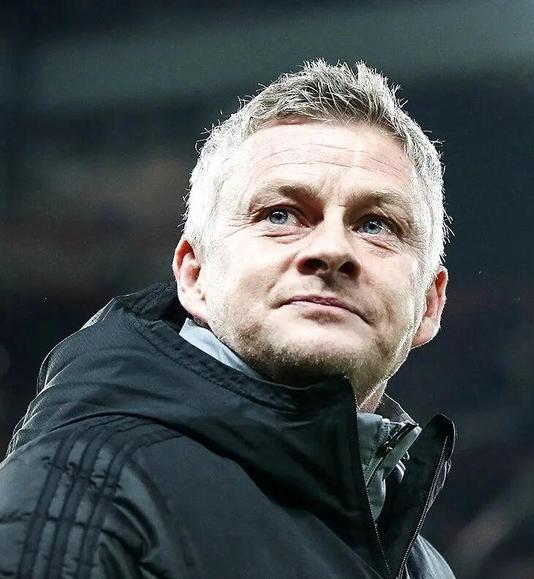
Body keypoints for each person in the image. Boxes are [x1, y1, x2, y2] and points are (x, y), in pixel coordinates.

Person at [0, 60, 456, 578]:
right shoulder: (80, 492)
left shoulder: (428, 568)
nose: (332, 249)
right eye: (280, 214)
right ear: (194, 275)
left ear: (429, 303)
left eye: (376, 225)